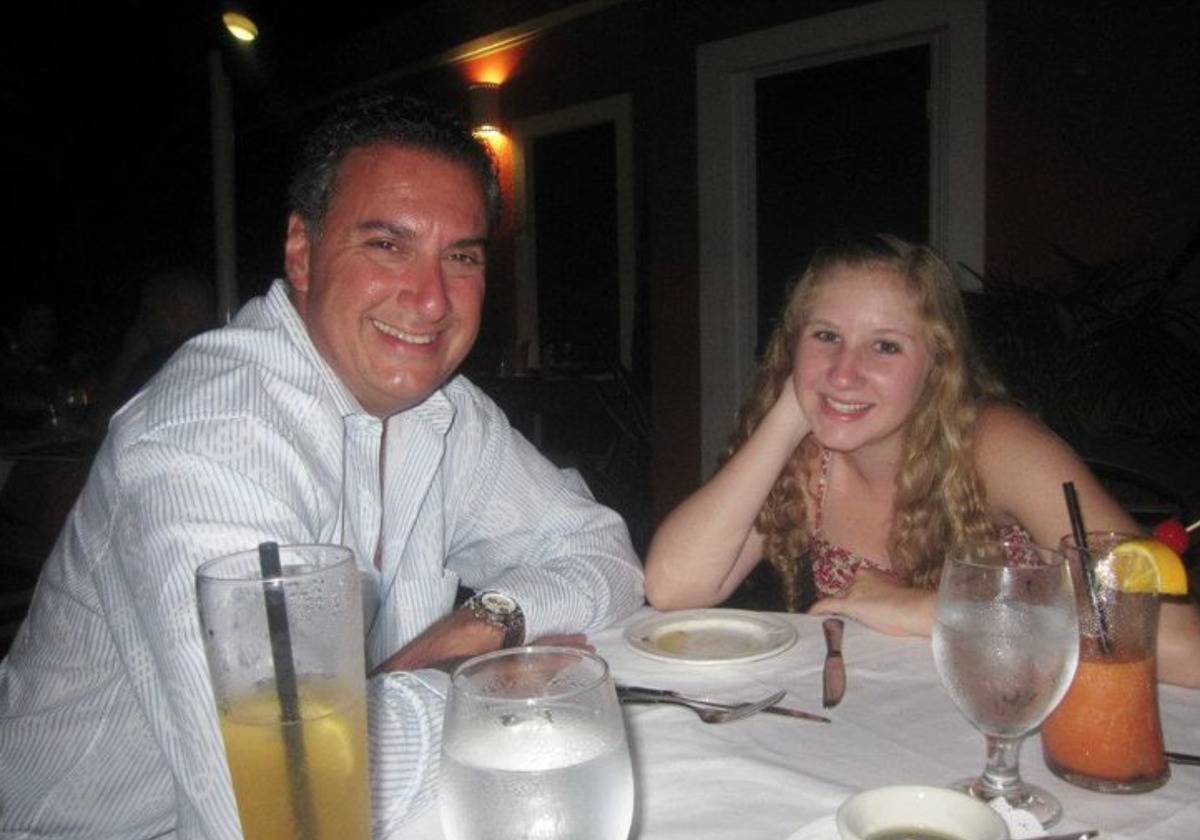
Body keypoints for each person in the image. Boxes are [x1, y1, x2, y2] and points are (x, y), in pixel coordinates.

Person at [0, 95, 644, 837]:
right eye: (387, 245)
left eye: (461, 256)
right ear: (302, 253)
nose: (431, 299)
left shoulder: (445, 413)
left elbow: (604, 554)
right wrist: (486, 684)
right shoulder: (208, 438)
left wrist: (483, 624)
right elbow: (290, 787)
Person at [644, 233, 1200, 688]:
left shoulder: (999, 446)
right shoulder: (810, 460)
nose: (844, 371)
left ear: (938, 365)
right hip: (893, 724)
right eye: (826, 336)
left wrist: (934, 611)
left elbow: (1184, 647)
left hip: (1021, 721)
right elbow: (673, 589)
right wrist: (794, 407)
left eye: (886, 346)